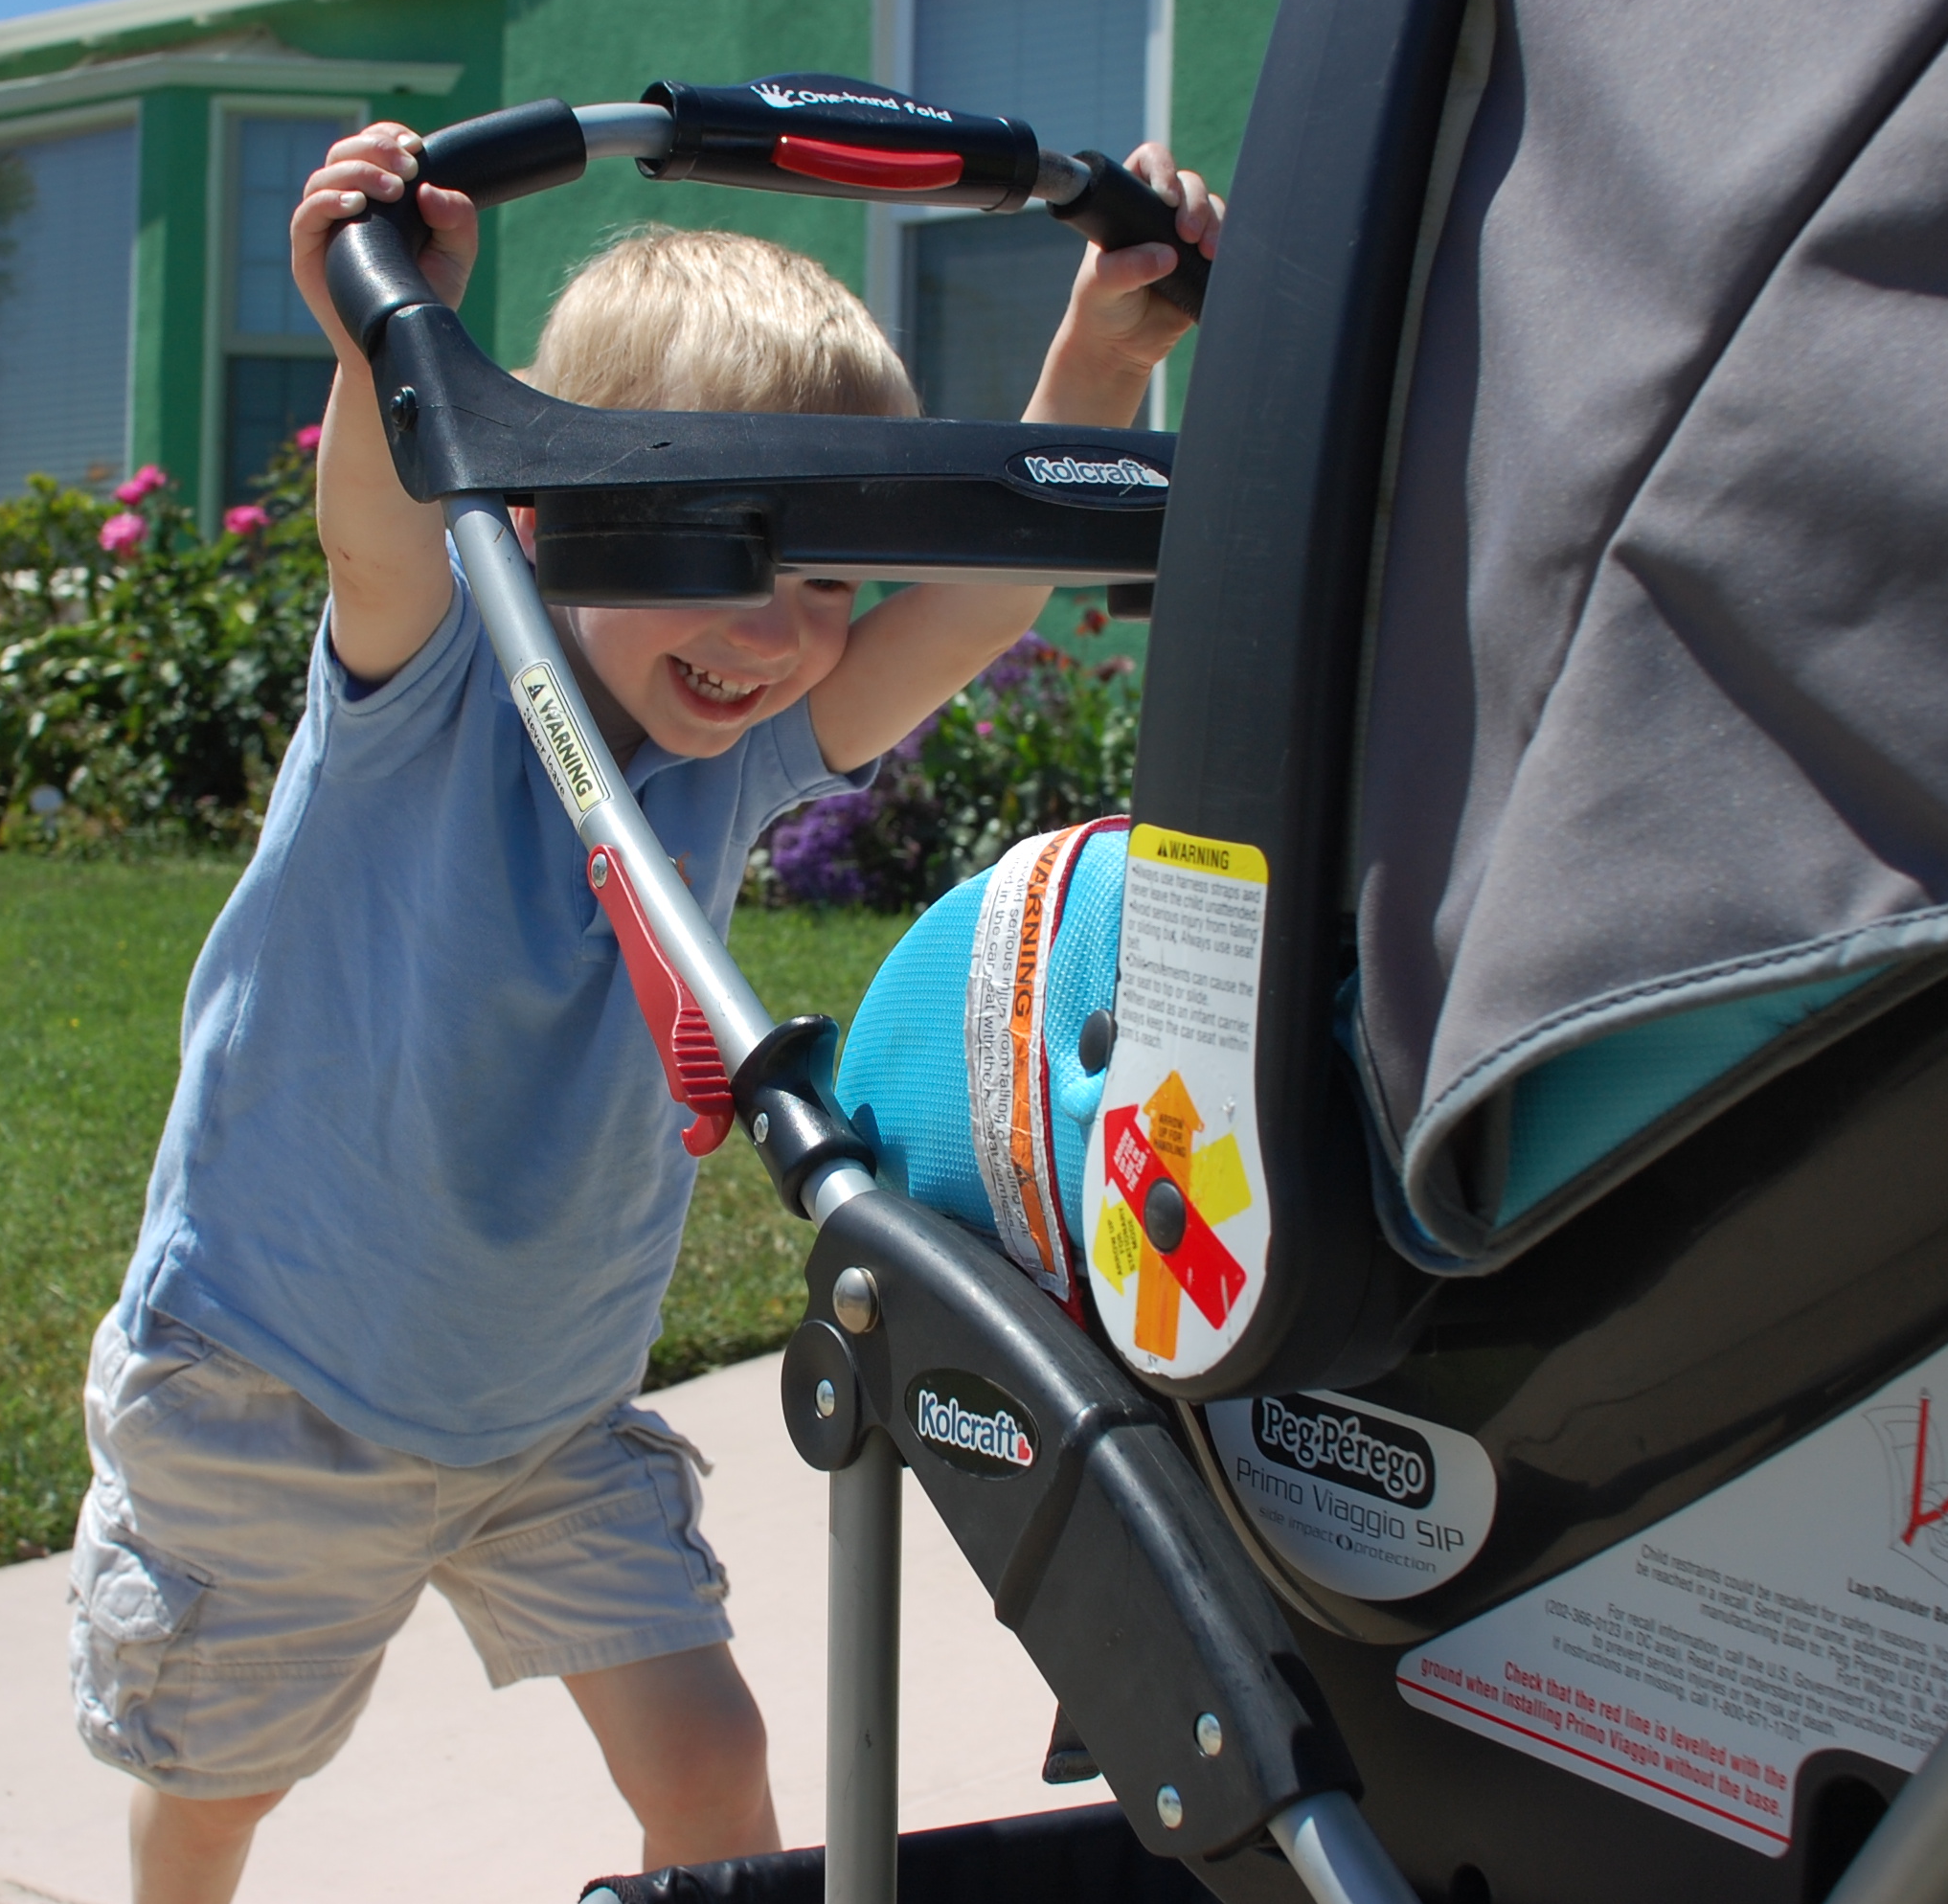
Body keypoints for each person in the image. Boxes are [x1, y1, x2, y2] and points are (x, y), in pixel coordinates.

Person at [70, 118, 1223, 1904]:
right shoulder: (434, 678)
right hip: (280, 1391)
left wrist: (1095, 366)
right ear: (542, 515)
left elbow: (981, 589)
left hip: (548, 1418)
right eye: (722, 551)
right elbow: (377, 532)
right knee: (221, 1791)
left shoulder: (729, 762)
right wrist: (387, 337)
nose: (774, 635)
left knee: (713, 1763)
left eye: (825, 577)